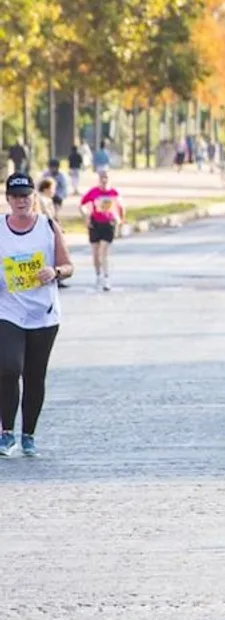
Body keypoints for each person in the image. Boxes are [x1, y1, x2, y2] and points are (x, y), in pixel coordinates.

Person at [0, 173, 72, 458]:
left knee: (34, 375)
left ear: (34, 198)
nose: (21, 201)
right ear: (7, 199)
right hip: (8, 310)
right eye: (16, 197)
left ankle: (28, 433)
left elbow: (68, 266)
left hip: (43, 314)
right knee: (8, 368)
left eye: (26, 196)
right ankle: (6, 433)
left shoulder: (48, 226)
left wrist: (53, 272)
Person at [78, 169, 123, 291]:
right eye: (102, 177)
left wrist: (120, 221)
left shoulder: (114, 193)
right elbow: (81, 204)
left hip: (108, 223)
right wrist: (86, 217)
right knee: (95, 252)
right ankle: (98, 275)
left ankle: (106, 277)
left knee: (104, 251)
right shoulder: (93, 192)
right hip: (95, 223)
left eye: (106, 177)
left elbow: (120, 207)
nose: (104, 180)